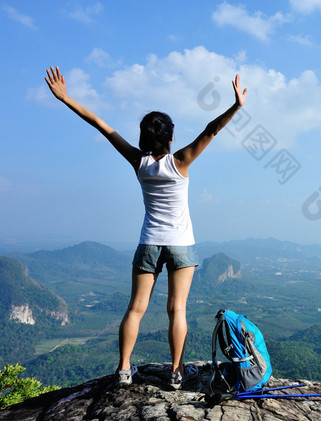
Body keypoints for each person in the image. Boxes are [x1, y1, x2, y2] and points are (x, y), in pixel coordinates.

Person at [44, 66, 247, 389]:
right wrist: (236, 106)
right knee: (176, 309)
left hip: (149, 242)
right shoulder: (181, 160)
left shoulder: (138, 162)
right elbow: (211, 130)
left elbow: (101, 125)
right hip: (181, 243)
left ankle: (124, 369)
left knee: (136, 309)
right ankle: (177, 373)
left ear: (143, 137)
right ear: (170, 135)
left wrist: (65, 98)